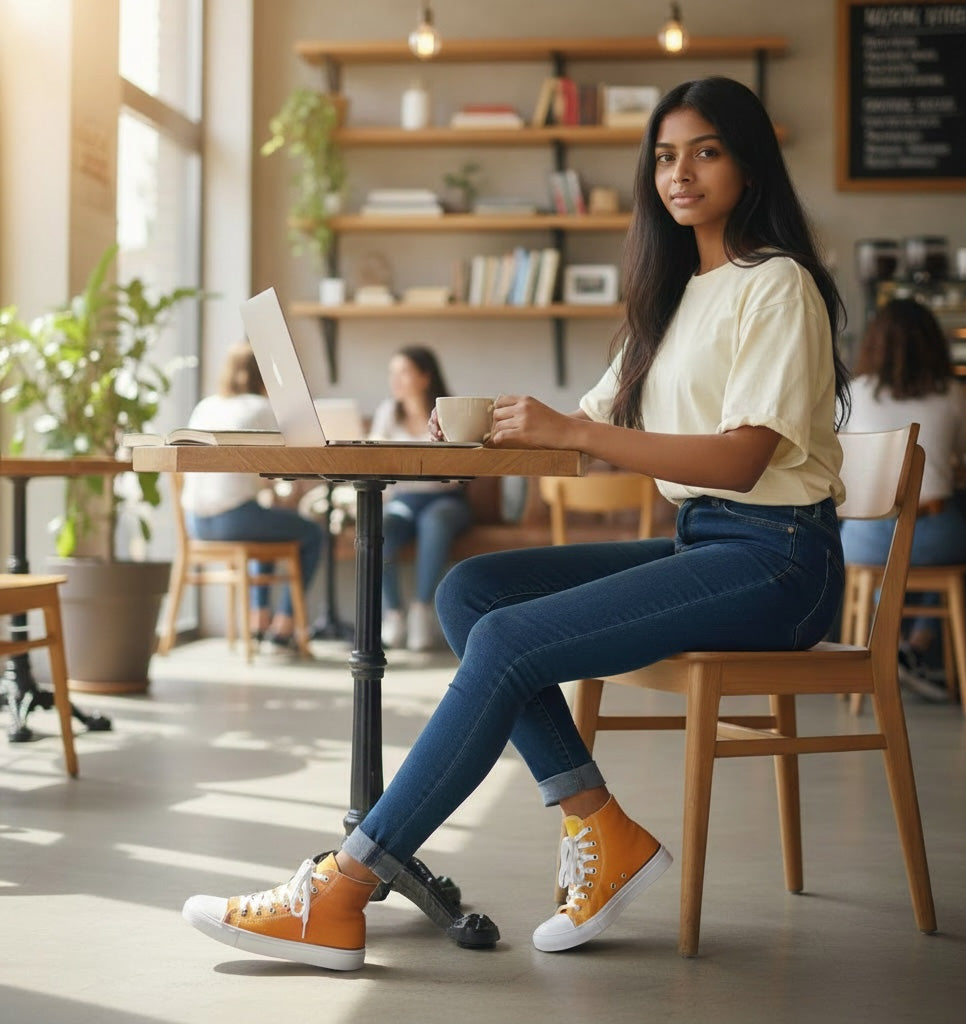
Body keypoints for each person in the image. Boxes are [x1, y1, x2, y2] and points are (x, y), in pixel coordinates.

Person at [182, 75, 850, 971]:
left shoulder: (778, 285)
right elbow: (576, 431)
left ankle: (341, 890)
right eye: (664, 156)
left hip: (781, 562)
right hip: (708, 543)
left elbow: (741, 460)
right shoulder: (668, 299)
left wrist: (576, 431)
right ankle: (599, 826)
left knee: (506, 639)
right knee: (472, 590)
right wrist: (481, 431)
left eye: (706, 152)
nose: (680, 174)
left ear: (749, 163)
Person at [841, 298, 966, 700]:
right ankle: (914, 645)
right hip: (935, 534)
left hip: (865, 537)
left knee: (888, 556)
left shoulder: (853, 393)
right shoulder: (951, 393)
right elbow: (962, 451)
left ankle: (890, 647)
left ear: (874, 343)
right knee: (941, 552)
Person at [180, 341, 324, 656]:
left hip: (196, 523)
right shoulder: (260, 408)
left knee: (266, 522)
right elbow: (284, 467)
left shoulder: (205, 406)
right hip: (235, 520)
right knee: (313, 533)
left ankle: (259, 621)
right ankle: (283, 628)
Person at [370, 346, 473, 651]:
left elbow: (461, 471)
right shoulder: (387, 413)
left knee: (434, 521)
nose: (395, 380)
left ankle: (421, 610)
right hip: (404, 501)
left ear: (425, 377)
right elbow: (373, 460)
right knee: (379, 526)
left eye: (404, 372)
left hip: (447, 500)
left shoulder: (448, 411)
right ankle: (394, 613)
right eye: (392, 372)